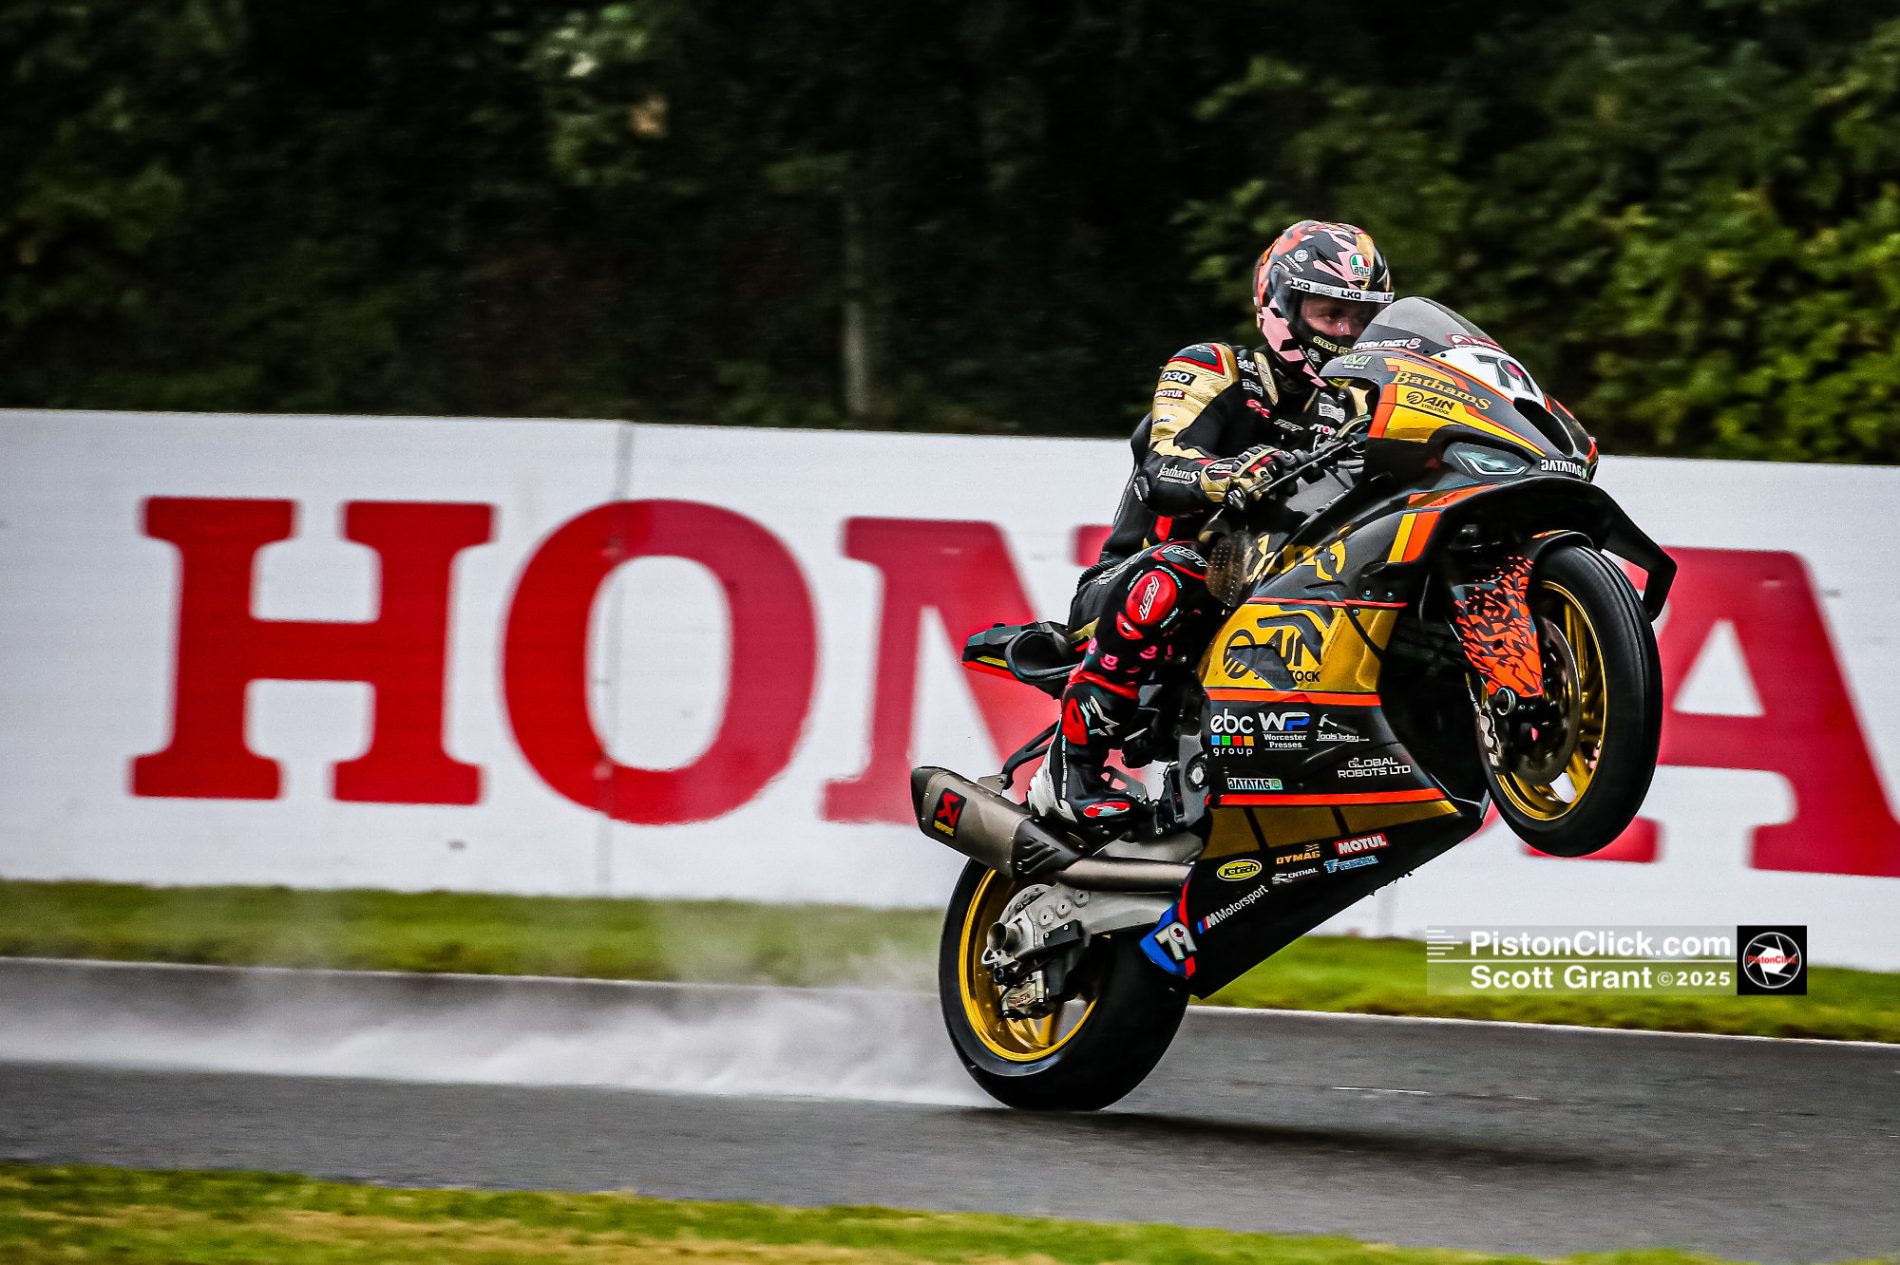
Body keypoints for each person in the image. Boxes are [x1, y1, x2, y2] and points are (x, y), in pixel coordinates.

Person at [1028, 220, 1395, 830]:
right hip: (1144, 578)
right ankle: (1070, 768)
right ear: (1280, 306)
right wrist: (1228, 474)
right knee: (1188, 570)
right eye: (1332, 315)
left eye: (1362, 319)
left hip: (1280, 586)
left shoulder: (1360, 401)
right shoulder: (1215, 368)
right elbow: (1161, 467)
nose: (1349, 333)